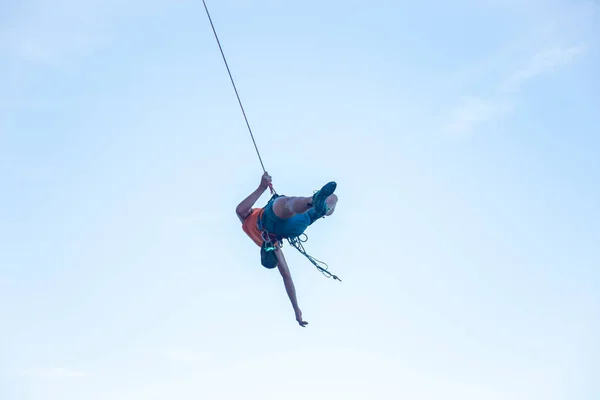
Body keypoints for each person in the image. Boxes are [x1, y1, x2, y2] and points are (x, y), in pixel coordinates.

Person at [236, 172, 338, 327]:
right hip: (269, 220)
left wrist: (296, 309)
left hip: (292, 229)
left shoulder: (276, 248)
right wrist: (262, 187)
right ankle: (313, 201)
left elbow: (287, 278)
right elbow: (240, 210)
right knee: (288, 203)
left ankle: (321, 206)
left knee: (330, 200)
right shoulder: (250, 227)